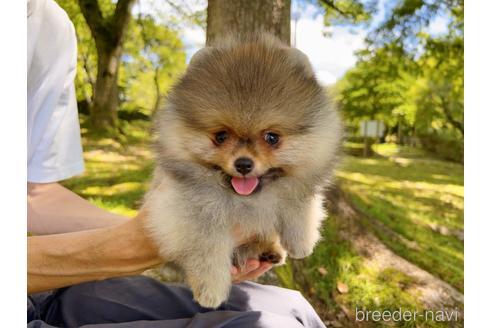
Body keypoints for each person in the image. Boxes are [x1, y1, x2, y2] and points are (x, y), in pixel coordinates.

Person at [27, 0, 326, 327]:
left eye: (270, 139)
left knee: (293, 309)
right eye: (221, 137)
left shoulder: (48, 26)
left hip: (40, 290)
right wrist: (129, 247)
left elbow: (32, 195)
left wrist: (152, 231)